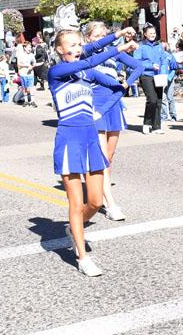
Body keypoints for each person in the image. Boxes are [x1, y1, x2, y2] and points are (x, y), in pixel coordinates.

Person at [48, 30, 137, 276]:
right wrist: (118, 47)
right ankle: (82, 257)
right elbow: (89, 59)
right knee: (76, 203)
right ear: (58, 49)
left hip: (90, 138)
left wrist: (101, 111)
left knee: (96, 202)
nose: (76, 48)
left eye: (79, 44)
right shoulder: (56, 73)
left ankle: (73, 228)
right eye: (70, 45)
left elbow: (118, 88)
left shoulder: (88, 73)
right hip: (69, 139)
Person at [82, 23, 141, 221]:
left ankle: (98, 188)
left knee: (109, 156)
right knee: (101, 156)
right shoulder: (87, 52)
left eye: (103, 34)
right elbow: (98, 48)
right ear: (88, 37)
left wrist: (126, 84)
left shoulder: (113, 52)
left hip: (114, 103)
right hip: (95, 104)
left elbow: (139, 66)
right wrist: (120, 34)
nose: (100, 38)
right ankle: (110, 203)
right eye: (96, 35)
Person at [133, 25, 165, 134]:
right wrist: (151, 65)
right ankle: (147, 122)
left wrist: (164, 70)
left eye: (154, 33)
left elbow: (164, 59)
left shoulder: (159, 45)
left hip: (159, 76)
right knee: (152, 99)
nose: (153, 35)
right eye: (150, 33)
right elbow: (136, 62)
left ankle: (156, 126)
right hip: (146, 75)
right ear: (145, 34)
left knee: (159, 101)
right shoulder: (140, 47)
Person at [160, 42, 180, 123]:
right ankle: (163, 116)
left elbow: (174, 68)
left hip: (169, 79)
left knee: (170, 98)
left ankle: (173, 116)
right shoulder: (156, 56)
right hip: (160, 79)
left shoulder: (169, 56)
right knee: (162, 98)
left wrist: (170, 77)